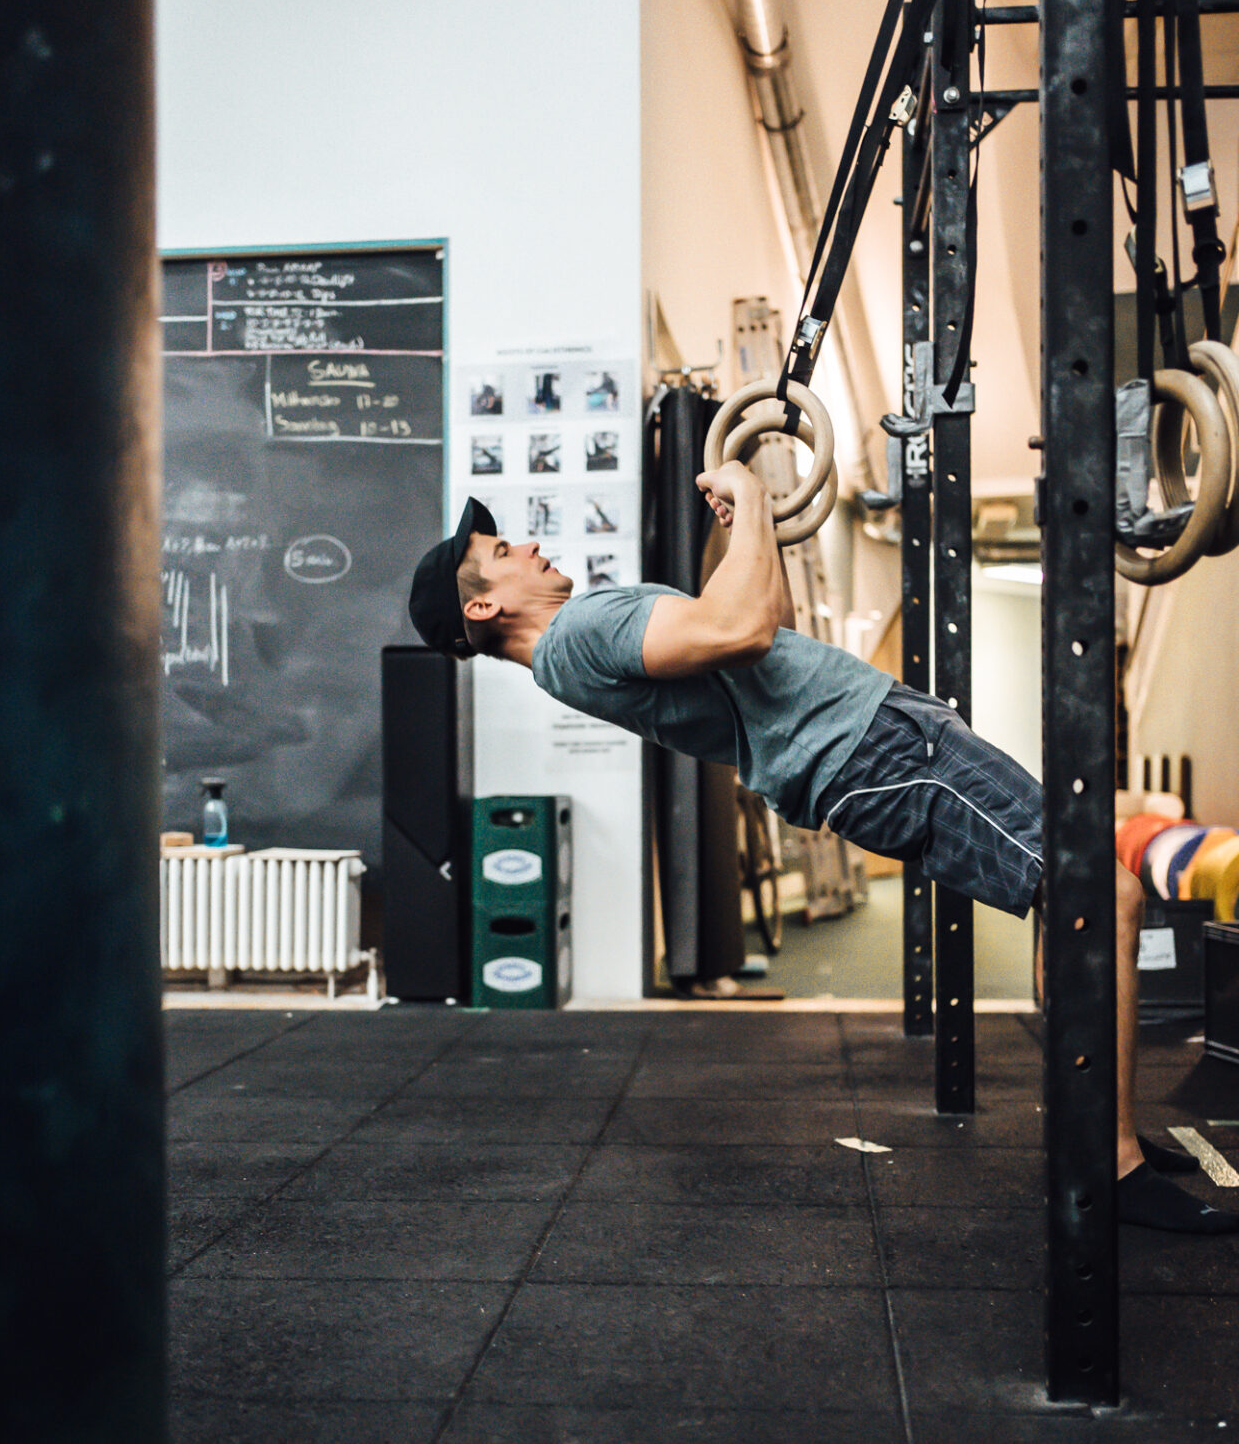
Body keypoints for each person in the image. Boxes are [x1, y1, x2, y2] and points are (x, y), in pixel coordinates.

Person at [408, 473, 1239, 1234]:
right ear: (481, 607)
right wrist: (756, 497)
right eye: (500, 552)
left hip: (875, 744)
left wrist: (745, 532)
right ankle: (1112, 1166)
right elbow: (745, 625)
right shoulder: (583, 630)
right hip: (878, 752)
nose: (525, 544)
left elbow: (765, 643)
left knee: (1074, 905)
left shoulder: (571, 651)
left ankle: (1097, 1135)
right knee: (1105, 897)